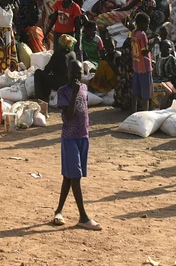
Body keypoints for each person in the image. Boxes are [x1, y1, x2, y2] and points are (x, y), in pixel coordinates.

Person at [51, 59, 101, 231]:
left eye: (78, 74)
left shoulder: (85, 89)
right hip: (69, 138)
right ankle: (83, 217)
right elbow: (69, 116)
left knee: (68, 177)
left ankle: (58, 211)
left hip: (83, 137)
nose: (76, 77)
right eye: (72, 74)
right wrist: (73, 93)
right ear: (67, 74)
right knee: (75, 177)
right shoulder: (63, 92)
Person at [130, 13, 153, 112]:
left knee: (135, 92)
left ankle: (133, 111)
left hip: (136, 66)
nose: (148, 26)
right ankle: (145, 113)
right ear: (142, 23)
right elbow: (144, 52)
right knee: (146, 94)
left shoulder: (134, 33)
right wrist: (153, 44)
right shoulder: (142, 35)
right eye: (147, 24)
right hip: (144, 67)